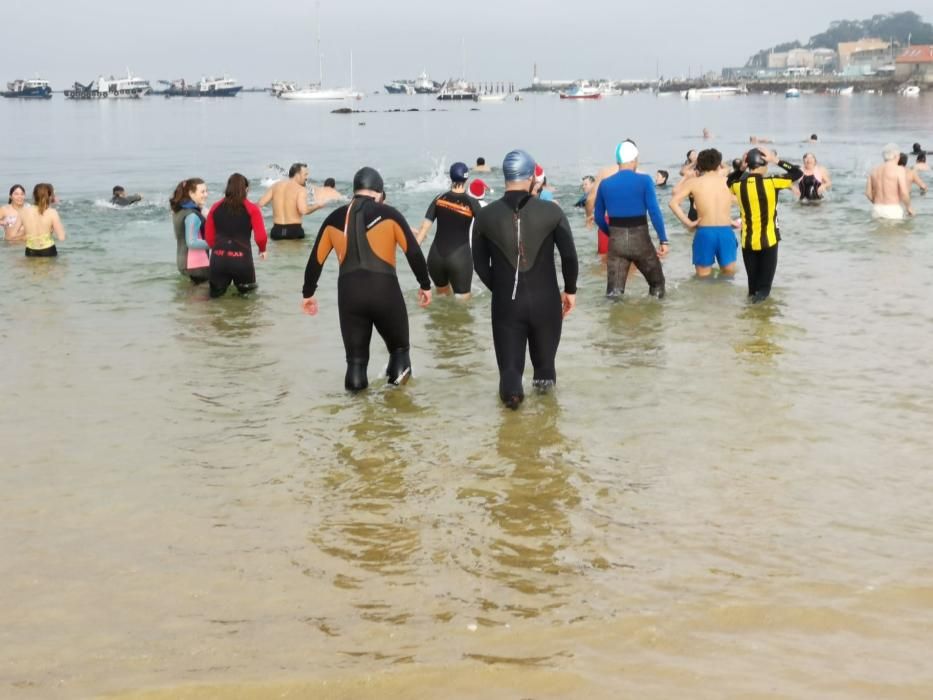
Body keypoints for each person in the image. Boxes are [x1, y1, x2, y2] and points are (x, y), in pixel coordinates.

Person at [301, 166, 432, 392]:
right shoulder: (390, 214)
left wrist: (308, 293)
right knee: (399, 350)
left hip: (350, 294)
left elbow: (316, 260)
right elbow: (413, 252)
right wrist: (425, 285)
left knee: (355, 363)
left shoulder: (334, 218)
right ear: (379, 193)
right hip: (384, 291)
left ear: (355, 191)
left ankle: (359, 418)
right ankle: (396, 409)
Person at [472, 149, 578, 410]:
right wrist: (570, 291)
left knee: (510, 371)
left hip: (507, 304)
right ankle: (545, 428)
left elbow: (479, 264)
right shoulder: (552, 212)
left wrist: (501, 289)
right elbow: (569, 256)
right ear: (531, 177)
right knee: (544, 371)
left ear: (506, 176)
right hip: (546, 302)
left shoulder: (485, 216)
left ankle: (511, 428)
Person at [594, 140, 669, 298]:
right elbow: (654, 212)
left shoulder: (605, 184)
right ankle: (653, 321)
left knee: (614, 293)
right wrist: (663, 240)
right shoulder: (645, 180)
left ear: (617, 161)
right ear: (635, 159)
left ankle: (616, 321)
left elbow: (598, 217)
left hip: (617, 242)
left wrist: (612, 234)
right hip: (640, 241)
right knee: (657, 284)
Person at [730, 148, 802, 302]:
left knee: (752, 287)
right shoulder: (772, 182)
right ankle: (761, 321)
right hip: (768, 241)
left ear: (749, 164)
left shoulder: (738, 185)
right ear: (764, 163)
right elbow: (797, 173)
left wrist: (742, 168)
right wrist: (776, 160)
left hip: (747, 242)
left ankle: (749, 318)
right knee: (764, 289)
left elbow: (729, 181)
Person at [415, 162, 482, 298]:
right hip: (460, 259)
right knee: (463, 309)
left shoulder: (439, 199)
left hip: (435, 259)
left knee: (442, 301)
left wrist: (414, 258)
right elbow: (486, 231)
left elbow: (423, 230)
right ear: (466, 178)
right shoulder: (472, 203)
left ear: (451, 177)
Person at [670, 148, 737, 278]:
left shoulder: (694, 183)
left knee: (703, 278)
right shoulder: (728, 182)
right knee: (729, 275)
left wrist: (688, 223)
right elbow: (745, 201)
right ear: (718, 164)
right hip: (726, 232)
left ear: (699, 165)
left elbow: (673, 203)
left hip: (705, 232)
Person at [204, 173, 268, 297]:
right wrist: (262, 249)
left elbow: (209, 237)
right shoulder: (252, 209)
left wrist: (218, 249)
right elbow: (261, 236)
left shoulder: (215, 207)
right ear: (247, 189)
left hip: (218, 260)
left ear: (228, 188)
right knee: (247, 299)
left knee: (215, 299)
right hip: (242, 261)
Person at [257, 162, 324, 240]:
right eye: (305, 174)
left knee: (278, 252)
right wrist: (318, 206)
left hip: (276, 231)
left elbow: (260, 204)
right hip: (294, 231)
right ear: (297, 175)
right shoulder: (301, 189)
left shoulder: (275, 186)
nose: (306, 178)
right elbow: (303, 211)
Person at [169, 178, 210, 284]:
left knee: (191, 297)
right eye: (202, 192)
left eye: (206, 191)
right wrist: (216, 243)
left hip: (183, 263)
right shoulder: (192, 215)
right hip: (197, 264)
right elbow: (192, 242)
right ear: (191, 193)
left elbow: (178, 236)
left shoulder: (178, 211)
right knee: (203, 298)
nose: (206, 194)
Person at [865, 144, 914, 220]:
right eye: (898, 155)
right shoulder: (899, 170)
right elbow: (904, 193)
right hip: (892, 209)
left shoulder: (874, 170)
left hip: (877, 209)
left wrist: (877, 204)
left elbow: (868, 193)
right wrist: (909, 208)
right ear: (895, 156)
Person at [21, 183, 65, 257]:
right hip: (48, 250)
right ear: (49, 196)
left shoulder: (24, 211)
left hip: (30, 250)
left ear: (34, 195)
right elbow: (61, 237)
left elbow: (14, 234)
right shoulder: (52, 212)